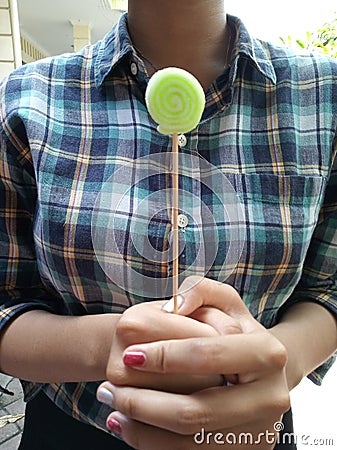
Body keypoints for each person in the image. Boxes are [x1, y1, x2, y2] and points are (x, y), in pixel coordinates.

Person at [0, 0, 336, 448]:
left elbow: (328, 288)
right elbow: (7, 301)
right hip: (74, 430)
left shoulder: (324, 93)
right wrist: (110, 346)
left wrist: (282, 360)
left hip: (252, 430)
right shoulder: (27, 96)